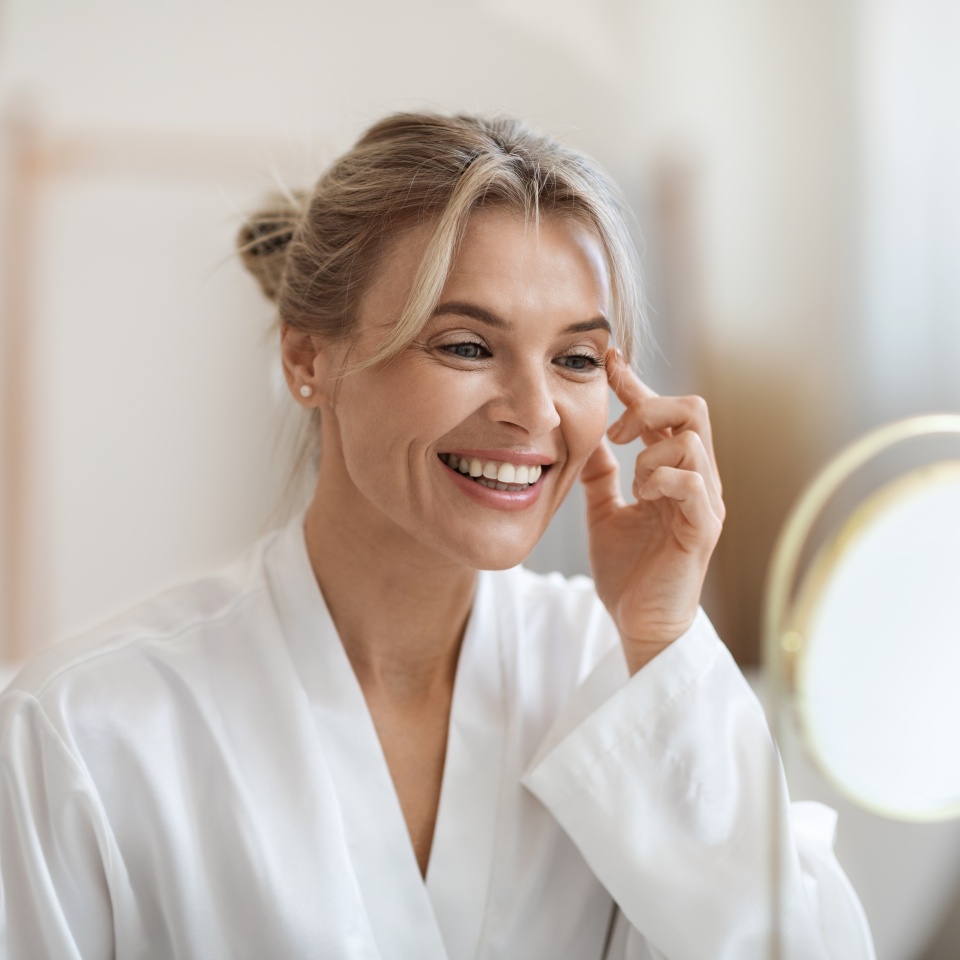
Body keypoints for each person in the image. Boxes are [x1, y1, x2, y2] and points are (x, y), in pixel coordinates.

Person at [0, 112, 873, 960]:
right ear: (308, 360)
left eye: (575, 360)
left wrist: (661, 635)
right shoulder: (80, 733)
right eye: (465, 346)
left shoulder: (625, 680)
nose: (535, 413)